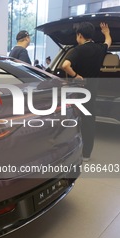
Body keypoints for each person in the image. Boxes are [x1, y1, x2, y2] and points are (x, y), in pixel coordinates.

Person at [61, 22, 111, 162]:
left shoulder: (78, 50)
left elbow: (65, 65)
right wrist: (106, 32)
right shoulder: (100, 48)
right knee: (89, 122)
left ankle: (68, 151)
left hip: (77, 91)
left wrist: (75, 75)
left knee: (72, 120)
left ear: (80, 35)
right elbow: (108, 42)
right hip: (91, 91)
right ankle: (86, 154)